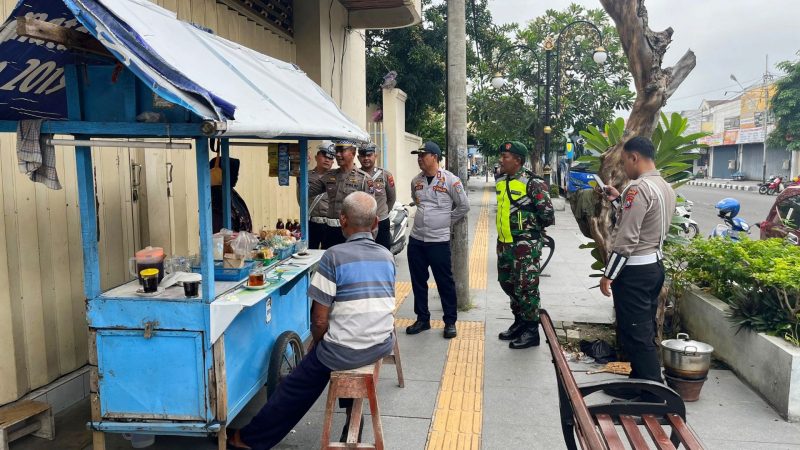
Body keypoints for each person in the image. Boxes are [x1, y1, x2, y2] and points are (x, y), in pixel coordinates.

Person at [226, 192, 395, 450]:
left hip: (348, 349)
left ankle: (249, 439)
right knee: (340, 348)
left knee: (297, 385)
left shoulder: (334, 256)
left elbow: (318, 320)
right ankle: (352, 419)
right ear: (375, 224)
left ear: (342, 220)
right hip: (381, 343)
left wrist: (317, 345)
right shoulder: (386, 256)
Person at [599, 136, 676, 399]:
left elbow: (628, 238)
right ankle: (637, 381)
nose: (624, 168)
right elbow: (646, 222)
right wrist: (619, 200)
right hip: (653, 266)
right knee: (638, 327)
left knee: (637, 332)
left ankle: (652, 393)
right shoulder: (663, 186)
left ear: (634, 157)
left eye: (624, 161)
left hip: (634, 272)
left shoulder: (639, 188)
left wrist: (609, 274)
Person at [405, 141, 470, 339]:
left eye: (423, 155)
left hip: (438, 241)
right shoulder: (416, 181)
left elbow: (463, 206)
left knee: (444, 282)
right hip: (417, 240)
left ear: (434, 156)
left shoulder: (451, 180)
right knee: (418, 282)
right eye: (418, 156)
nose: (419, 159)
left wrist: (445, 221)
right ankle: (422, 319)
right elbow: (417, 201)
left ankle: (450, 321)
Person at [495, 141, 555, 349]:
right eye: (501, 156)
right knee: (508, 283)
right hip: (504, 243)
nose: (501, 160)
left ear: (518, 160)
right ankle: (519, 322)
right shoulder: (502, 180)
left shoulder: (533, 183)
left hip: (525, 245)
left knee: (527, 288)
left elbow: (547, 213)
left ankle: (531, 330)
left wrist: (528, 231)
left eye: (506, 157)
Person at [308, 140, 369, 249]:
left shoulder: (364, 179)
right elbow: (309, 191)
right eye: (337, 151)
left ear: (353, 153)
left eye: (342, 151)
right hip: (330, 231)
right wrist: (299, 168)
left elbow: (370, 211)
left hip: (351, 232)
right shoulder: (329, 175)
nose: (337, 154)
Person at [358, 142, 396, 251]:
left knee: (382, 252)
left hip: (381, 222)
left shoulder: (385, 175)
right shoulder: (355, 175)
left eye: (369, 155)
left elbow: (391, 198)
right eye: (363, 155)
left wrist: (382, 213)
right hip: (361, 224)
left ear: (375, 156)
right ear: (358, 157)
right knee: (363, 253)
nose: (366, 158)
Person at [298, 141, 335, 249]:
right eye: (324, 155)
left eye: (331, 157)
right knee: (308, 251)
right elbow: (300, 198)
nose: (327, 159)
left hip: (329, 223)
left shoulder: (337, 176)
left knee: (329, 253)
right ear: (316, 157)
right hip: (311, 222)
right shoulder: (305, 175)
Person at [210, 156, 252, 233]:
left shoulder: (229, 191)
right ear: (226, 173)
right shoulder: (218, 196)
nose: (236, 177)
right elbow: (219, 230)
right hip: (227, 243)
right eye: (235, 173)